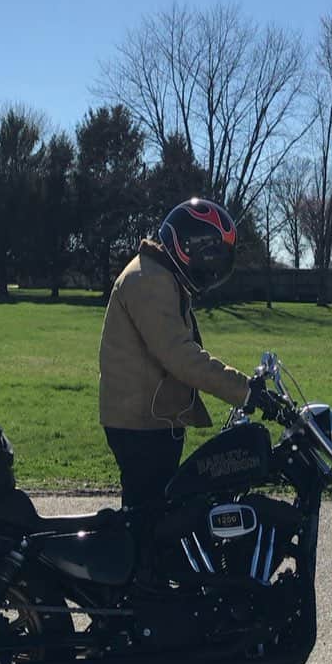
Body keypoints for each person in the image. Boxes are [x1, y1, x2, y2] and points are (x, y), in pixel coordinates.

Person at [99, 197, 256, 509]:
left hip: (151, 419)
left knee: (160, 511)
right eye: (208, 256)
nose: (211, 268)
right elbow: (180, 356)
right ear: (185, 246)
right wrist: (245, 391)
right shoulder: (148, 280)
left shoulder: (159, 275)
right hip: (141, 424)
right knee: (149, 516)